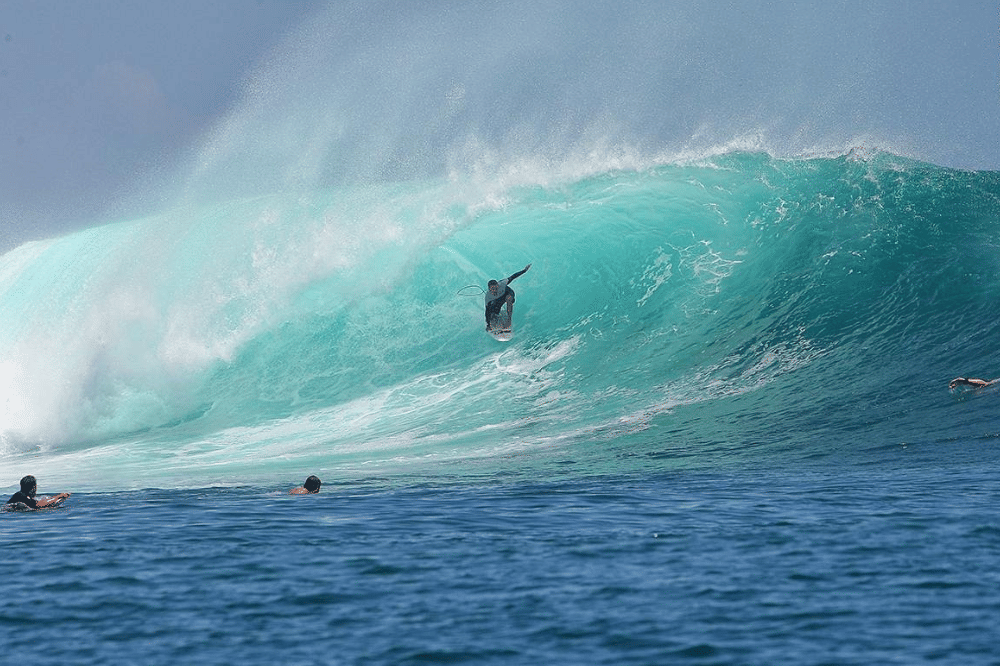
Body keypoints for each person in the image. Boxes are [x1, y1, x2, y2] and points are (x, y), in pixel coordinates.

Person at [485, 263, 531, 331]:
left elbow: (513, 277)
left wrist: (524, 270)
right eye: (492, 289)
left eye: (496, 288)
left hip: (508, 293)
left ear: (498, 285)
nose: (495, 290)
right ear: (489, 289)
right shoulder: (488, 297)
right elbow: (487, 311)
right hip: (499, 299)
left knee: (508, 299)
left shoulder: (502, 283)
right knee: (492, 313)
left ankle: (508, 321)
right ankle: (498, 321)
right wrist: (488, 325)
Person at [5, 475, 70, 509]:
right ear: (33, 488)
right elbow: (40, 505)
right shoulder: (24, 497)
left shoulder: (18, 495)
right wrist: (59, 496)